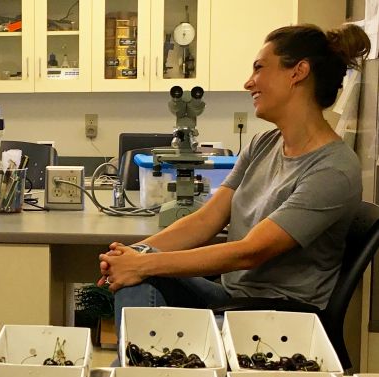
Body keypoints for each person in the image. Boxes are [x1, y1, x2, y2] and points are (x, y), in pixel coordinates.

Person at [99, 23, 371, 333]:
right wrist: (133, 254)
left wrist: (143, 263)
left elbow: (250, 252)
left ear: (298, 72)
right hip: (232, 297)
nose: (248, 82)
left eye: (259, 68)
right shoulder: (263, 144)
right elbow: (205, 221)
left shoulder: (333, 170)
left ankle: (141, 375)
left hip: (276, 316)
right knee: (136, 279)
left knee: (142, 274)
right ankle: (142, 374)